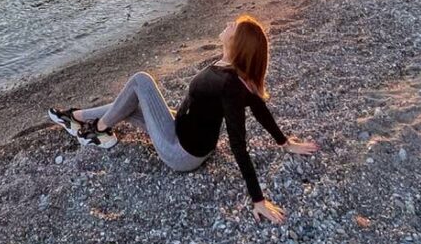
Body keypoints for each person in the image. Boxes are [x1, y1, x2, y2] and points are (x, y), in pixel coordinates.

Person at [48, 14, 319, 224]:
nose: (228, 23)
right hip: (184, 129)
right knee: (130, 102)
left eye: (233, 25)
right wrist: (284, 142)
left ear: (238, 43)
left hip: (181, 153)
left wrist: (257, 199)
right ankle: (76, 116)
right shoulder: (232, 72)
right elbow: (260, 108)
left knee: (141, 81)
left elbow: (239, 143)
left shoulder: (230, 85)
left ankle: (97, 128)